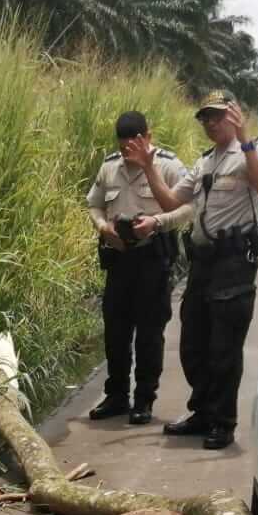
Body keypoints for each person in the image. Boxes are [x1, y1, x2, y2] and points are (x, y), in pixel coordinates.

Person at [130, 90, 258, 449]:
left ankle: (222, 422)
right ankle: (202, 412)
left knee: (224, 348)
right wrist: (150, 167)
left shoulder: (256, 149)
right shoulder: (203, 163)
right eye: (206, 118)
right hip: (202, 262)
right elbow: (170, 201)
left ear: (234, 115)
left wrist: (244, 142)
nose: (211, 123)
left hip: (234, 264)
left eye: (217, 116)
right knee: (193, 343)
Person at [84, 111, 193, 425]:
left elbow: (189, 207)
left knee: (149, 332)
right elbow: (94, 203)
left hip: (153, 260)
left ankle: (144, 399)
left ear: (148, 136)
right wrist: (104, 227)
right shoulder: (109, 167)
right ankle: (117, 395)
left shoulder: (169, 166)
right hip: (118, 259)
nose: (129, 152)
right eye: (124, 147)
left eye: (135, 144)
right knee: (115, 331)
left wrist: (157, 222)